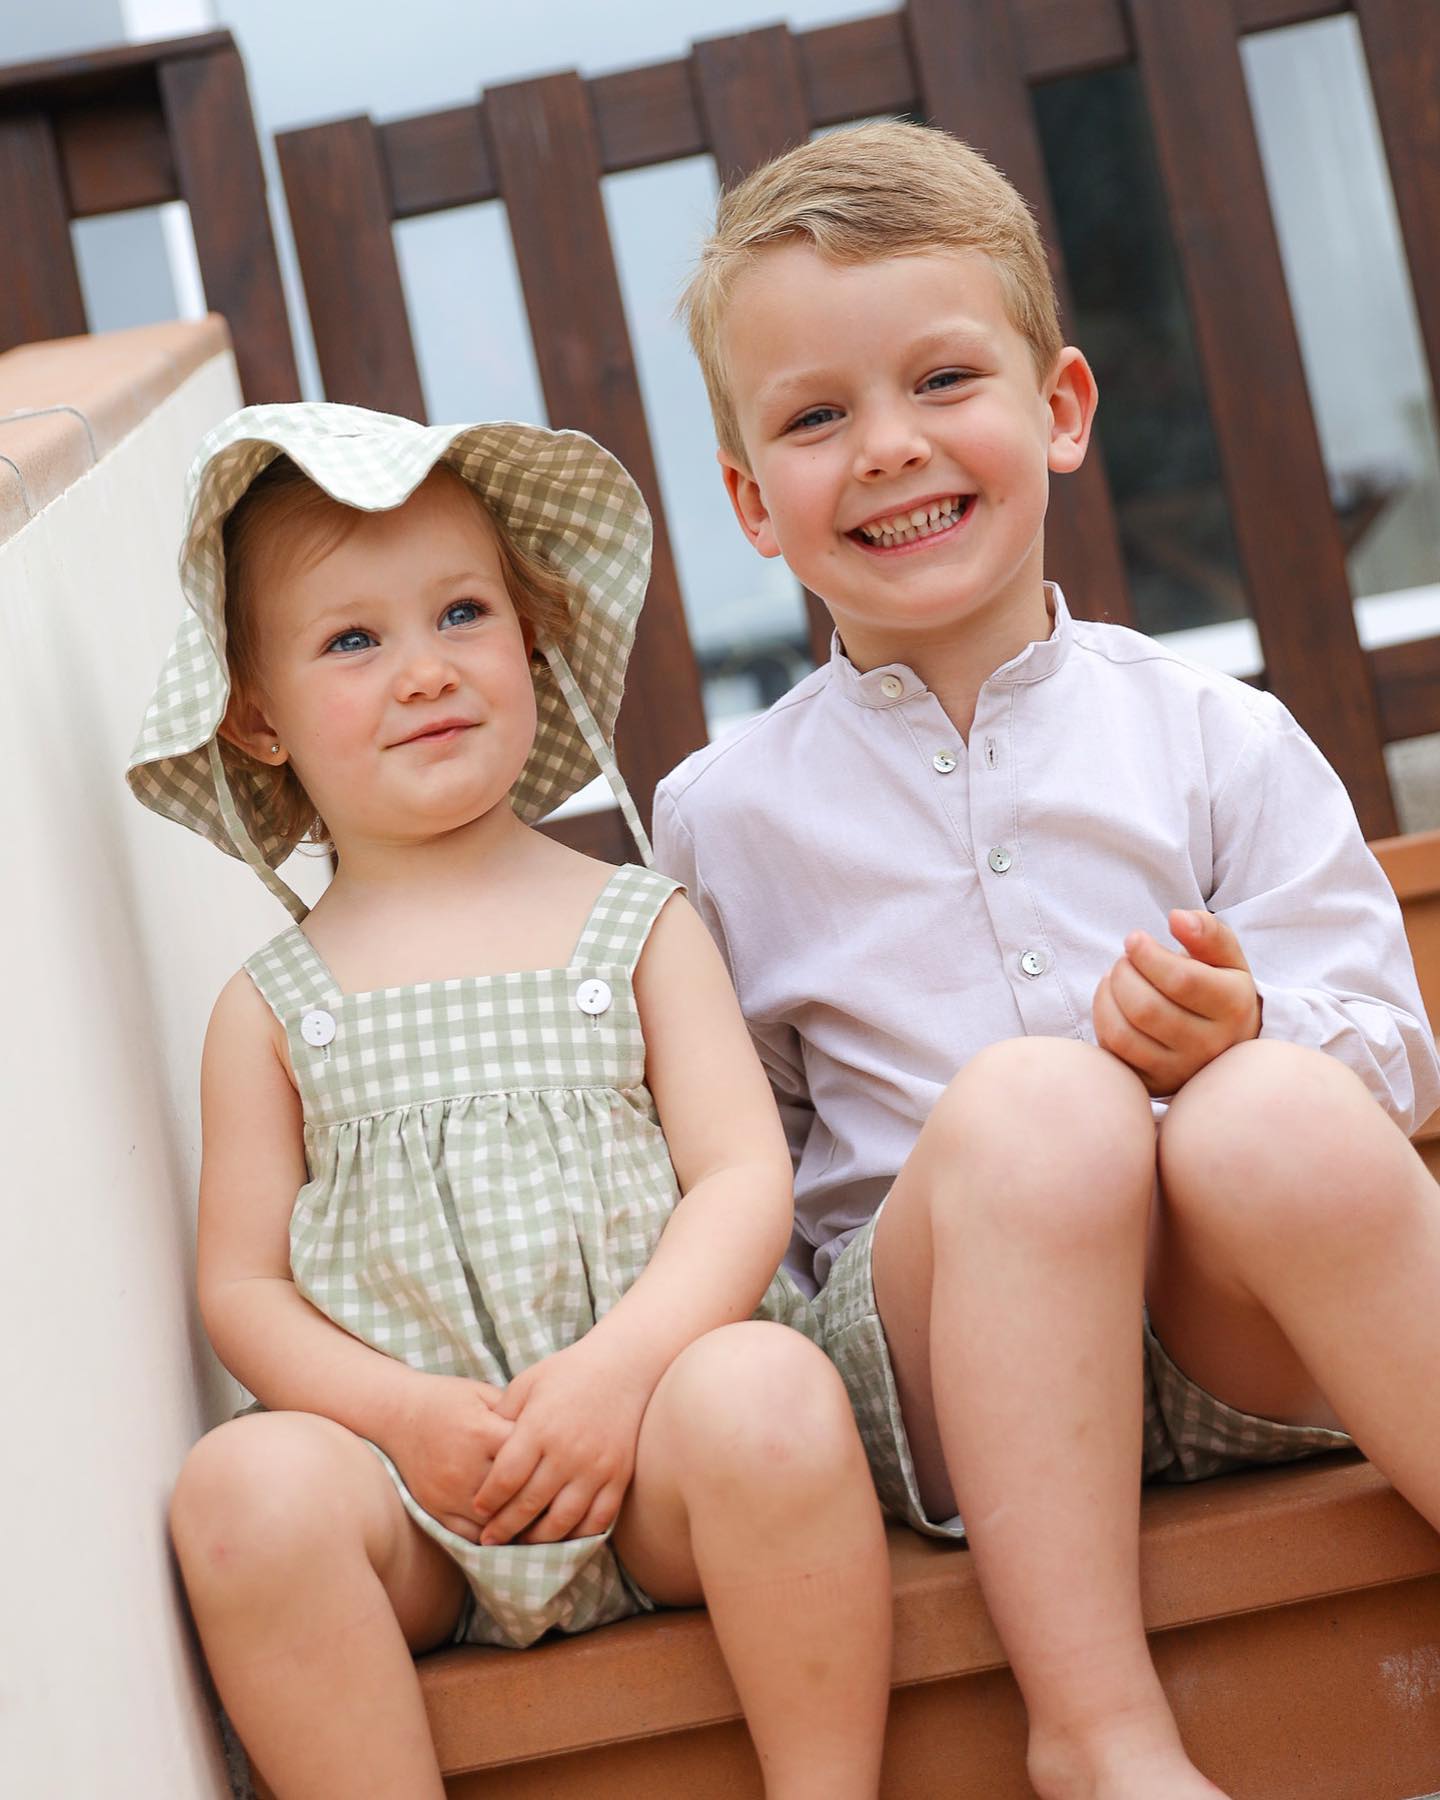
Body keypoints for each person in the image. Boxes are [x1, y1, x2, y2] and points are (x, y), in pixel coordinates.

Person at [653, 120, 1440, 1800]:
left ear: (1062, 410)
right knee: (1031, 1113)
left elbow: (1389, 1043)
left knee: (1270, 1113)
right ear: (749, 504)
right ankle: (1099, 1739)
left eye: (944, 380)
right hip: (945, 1382)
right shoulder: (719, 820)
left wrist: (1248, 1031)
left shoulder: (1213, 732)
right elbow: (739, 1162)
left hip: (1233, 1337)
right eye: (813, 418)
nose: (886, 450)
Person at [128, 404, 891, 1800]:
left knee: (771, 1390)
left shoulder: (636, 921)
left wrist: (619, 1378)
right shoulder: (273, 1005)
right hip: (417, 1491)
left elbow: (738, 1181)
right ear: (258, 717)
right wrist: (404, 1419)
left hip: (651, 1448)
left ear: (532, 644)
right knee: (237, 1499)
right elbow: (241, 1288)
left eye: (462, 612)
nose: (424, 669)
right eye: (353, 641)